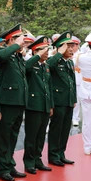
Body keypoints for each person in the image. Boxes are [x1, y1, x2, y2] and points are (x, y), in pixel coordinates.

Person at [0, 24, 28, 181]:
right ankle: (3, 168)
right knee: (4, 136)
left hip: (18, 102)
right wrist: (15, 46)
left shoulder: (17, 56)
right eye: (20, 39)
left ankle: (9, 163)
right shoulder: (2, 51)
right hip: (7, 102)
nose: (23, 42)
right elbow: (0, 57)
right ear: (11, 40)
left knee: (13, 135)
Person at [22, 37, 53, 173]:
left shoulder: (45, 66)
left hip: (45, 105)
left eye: (47, 50)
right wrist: (37, 56)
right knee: (32, 135)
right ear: (36, 52)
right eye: (43, 50)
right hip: (33, 105)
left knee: (41, 135)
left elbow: (49, 87)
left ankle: (37, 159)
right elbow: (26, 67)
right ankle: (29, 162)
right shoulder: (30, 64)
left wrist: (51, 105)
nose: (47, 53)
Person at [47, 33, 78, 166]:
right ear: (61, 48)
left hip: (68, 100)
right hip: (58, 100)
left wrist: (74, 98)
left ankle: (61, 153)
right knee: (56, 129)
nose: (71, 49)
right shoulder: (54, 60)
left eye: (72, 46)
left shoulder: (70, 62)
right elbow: (48, 66)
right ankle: (53, 155)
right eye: (68, 47)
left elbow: (73, 82)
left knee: (65, 129)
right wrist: (58, 54)